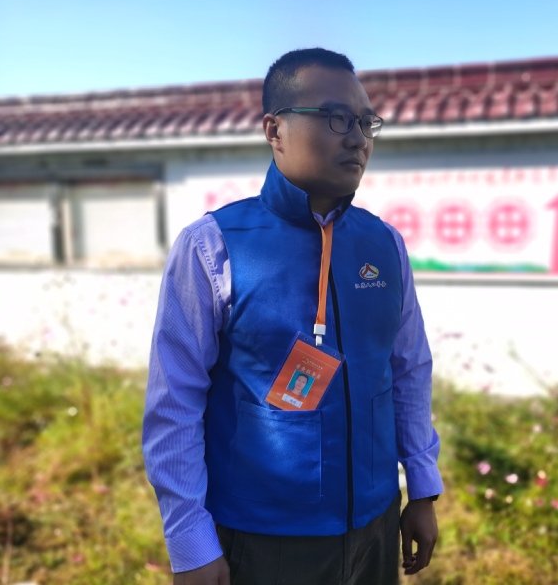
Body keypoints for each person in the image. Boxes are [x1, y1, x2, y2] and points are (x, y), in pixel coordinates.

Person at [142, 48, 443, 585]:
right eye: (336, 117)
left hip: (375, 524)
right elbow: (175, 403)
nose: (358, 138)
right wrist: (190, 541)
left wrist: (420, 487)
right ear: (274, 129)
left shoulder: (384, 244)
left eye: (366, 122)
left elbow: (408, 370)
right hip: (264, 539)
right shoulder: (214, 246)